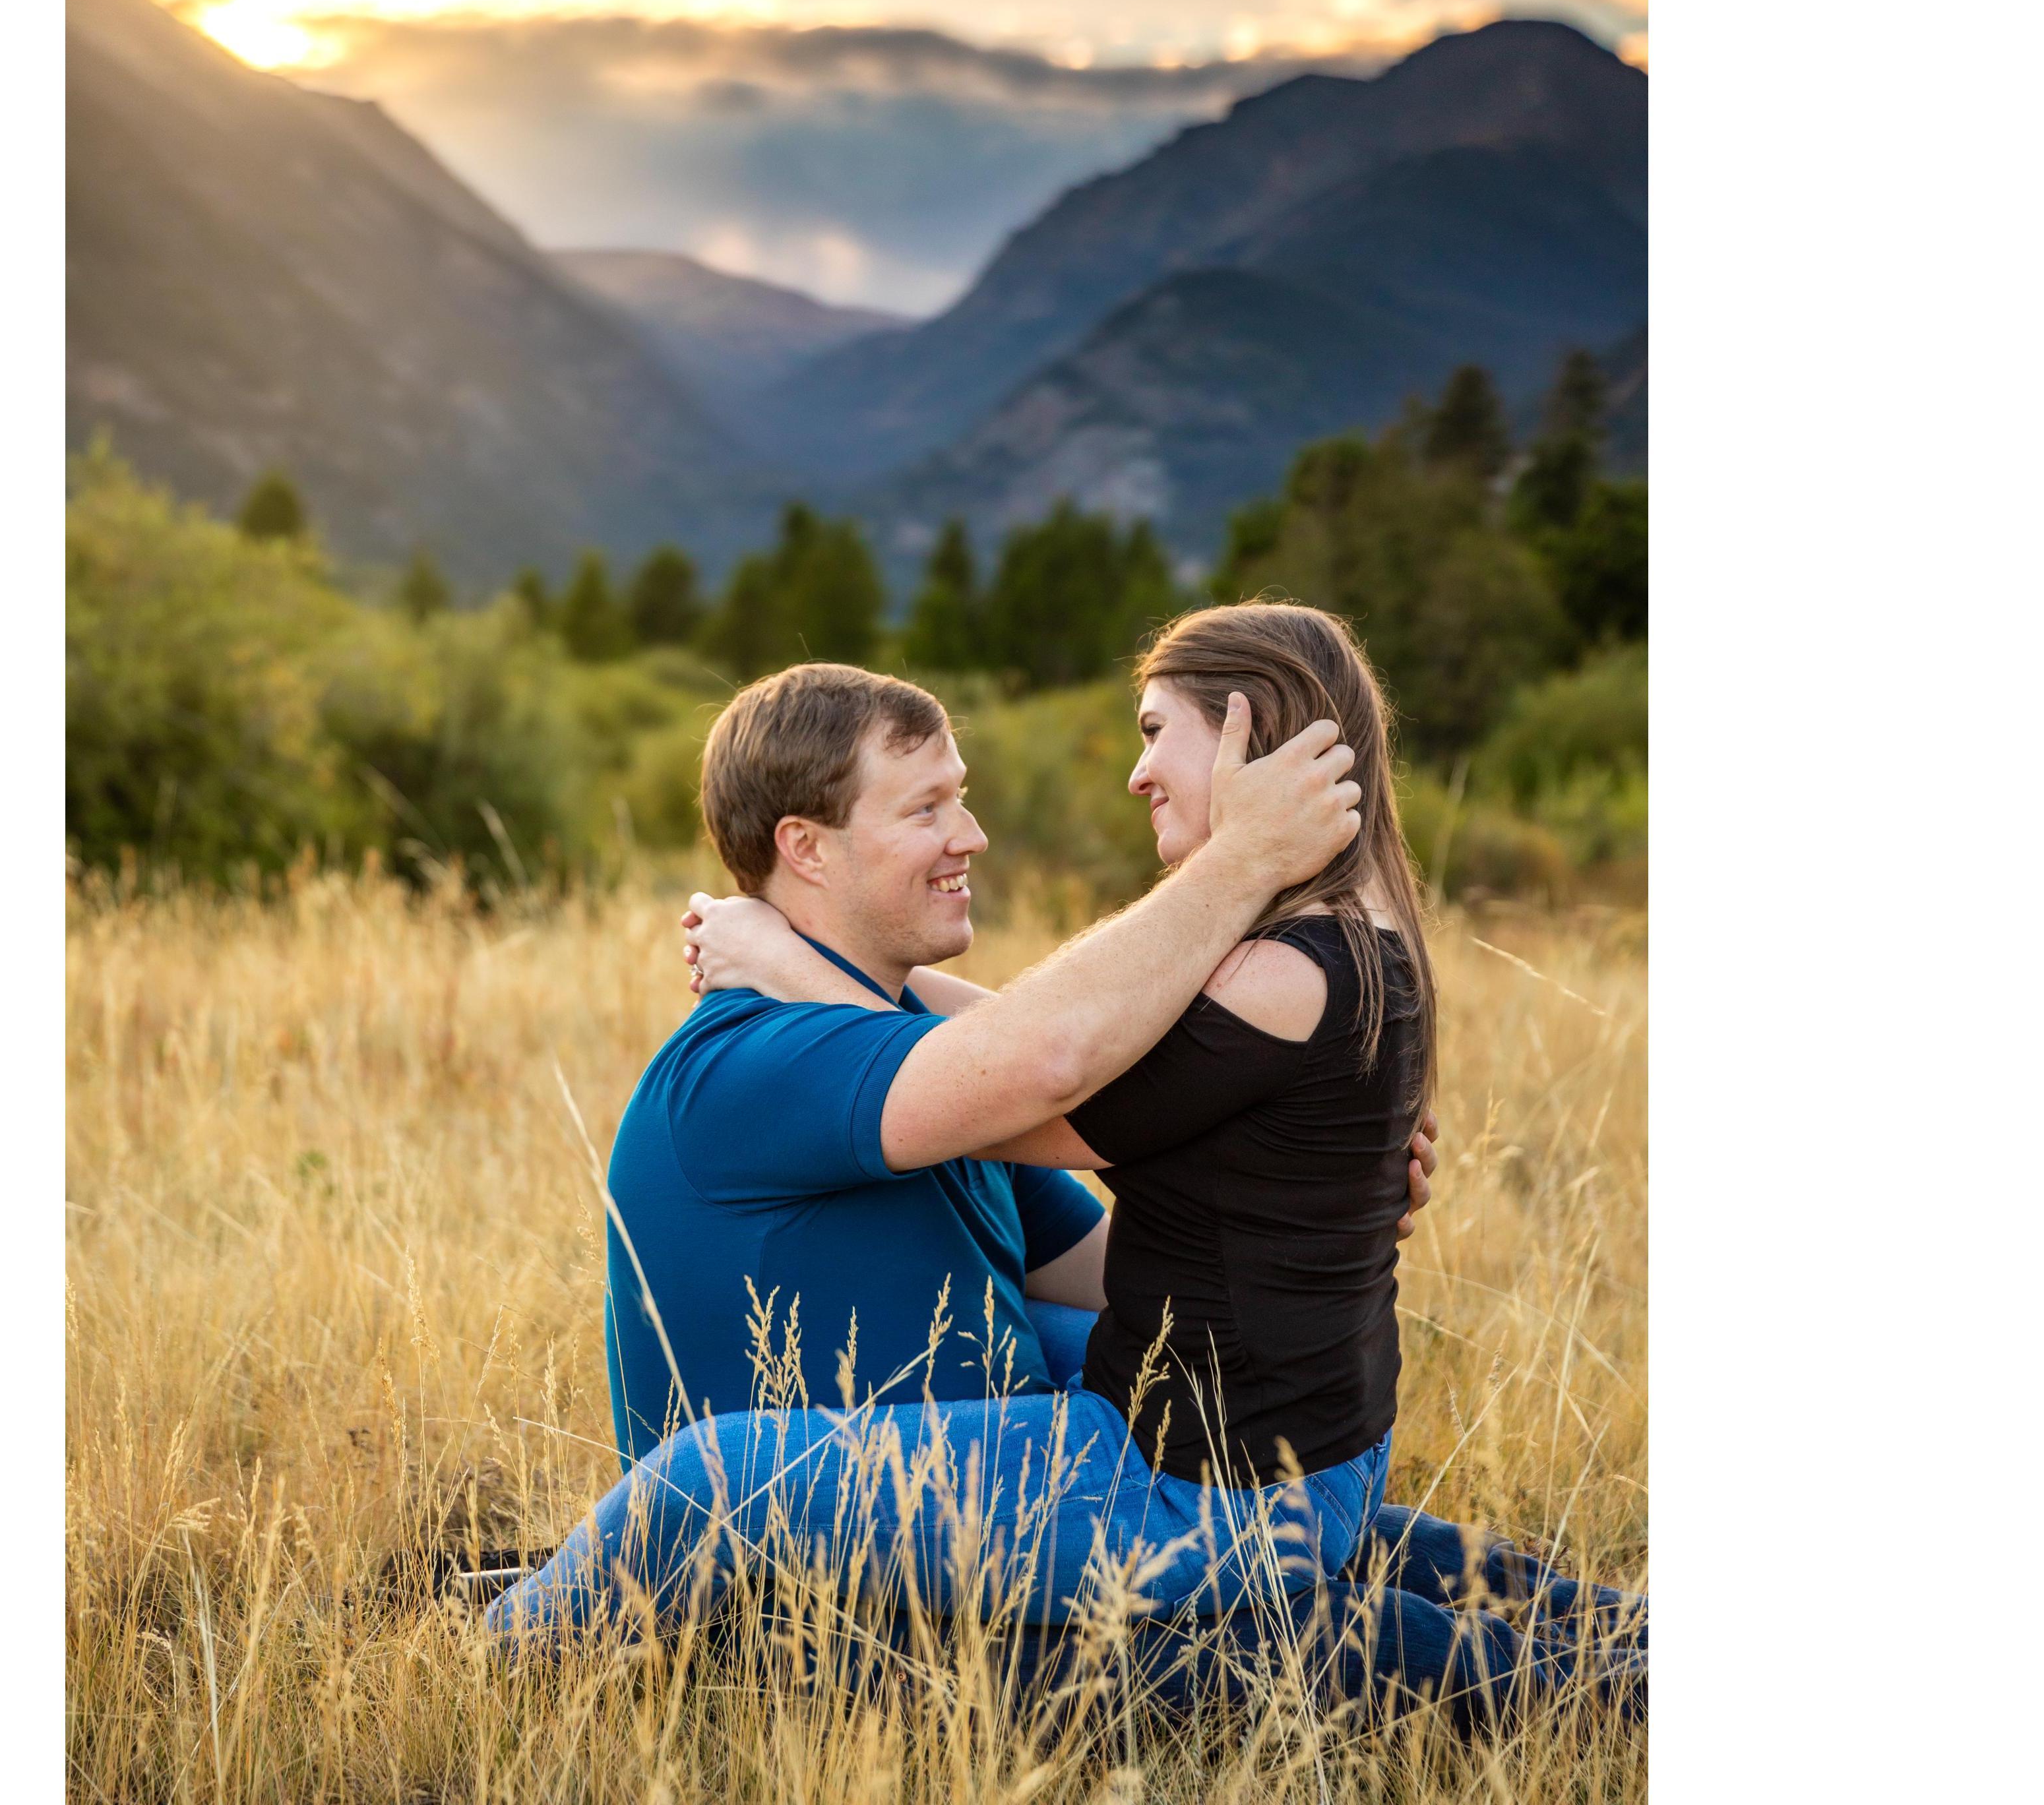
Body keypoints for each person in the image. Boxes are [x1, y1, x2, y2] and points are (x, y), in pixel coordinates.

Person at [490, 640, 1640, 1724]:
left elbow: (1126, 1274)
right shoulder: (751, 1066)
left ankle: (1633, 1638)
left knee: (1343, 1528)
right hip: (845, 1616)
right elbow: (1042, 1058)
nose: (973, 835)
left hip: (992, 1526)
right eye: (927, 808)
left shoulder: (934, 1087)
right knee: (1305, 1633)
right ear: (807, 848)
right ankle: (488, 1644)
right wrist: (1242, 863)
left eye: (964, 795)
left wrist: (1305, 1183)